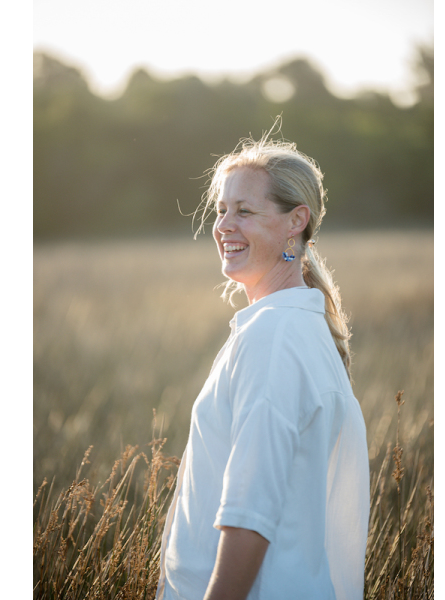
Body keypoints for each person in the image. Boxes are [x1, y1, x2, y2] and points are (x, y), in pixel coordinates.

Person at [156, 128, 370, 600]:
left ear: (296, 221)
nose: (223, 226)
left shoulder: (274, 336)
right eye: (221, 210)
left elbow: (249, 515)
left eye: (245, 211)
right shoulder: (299, 326)